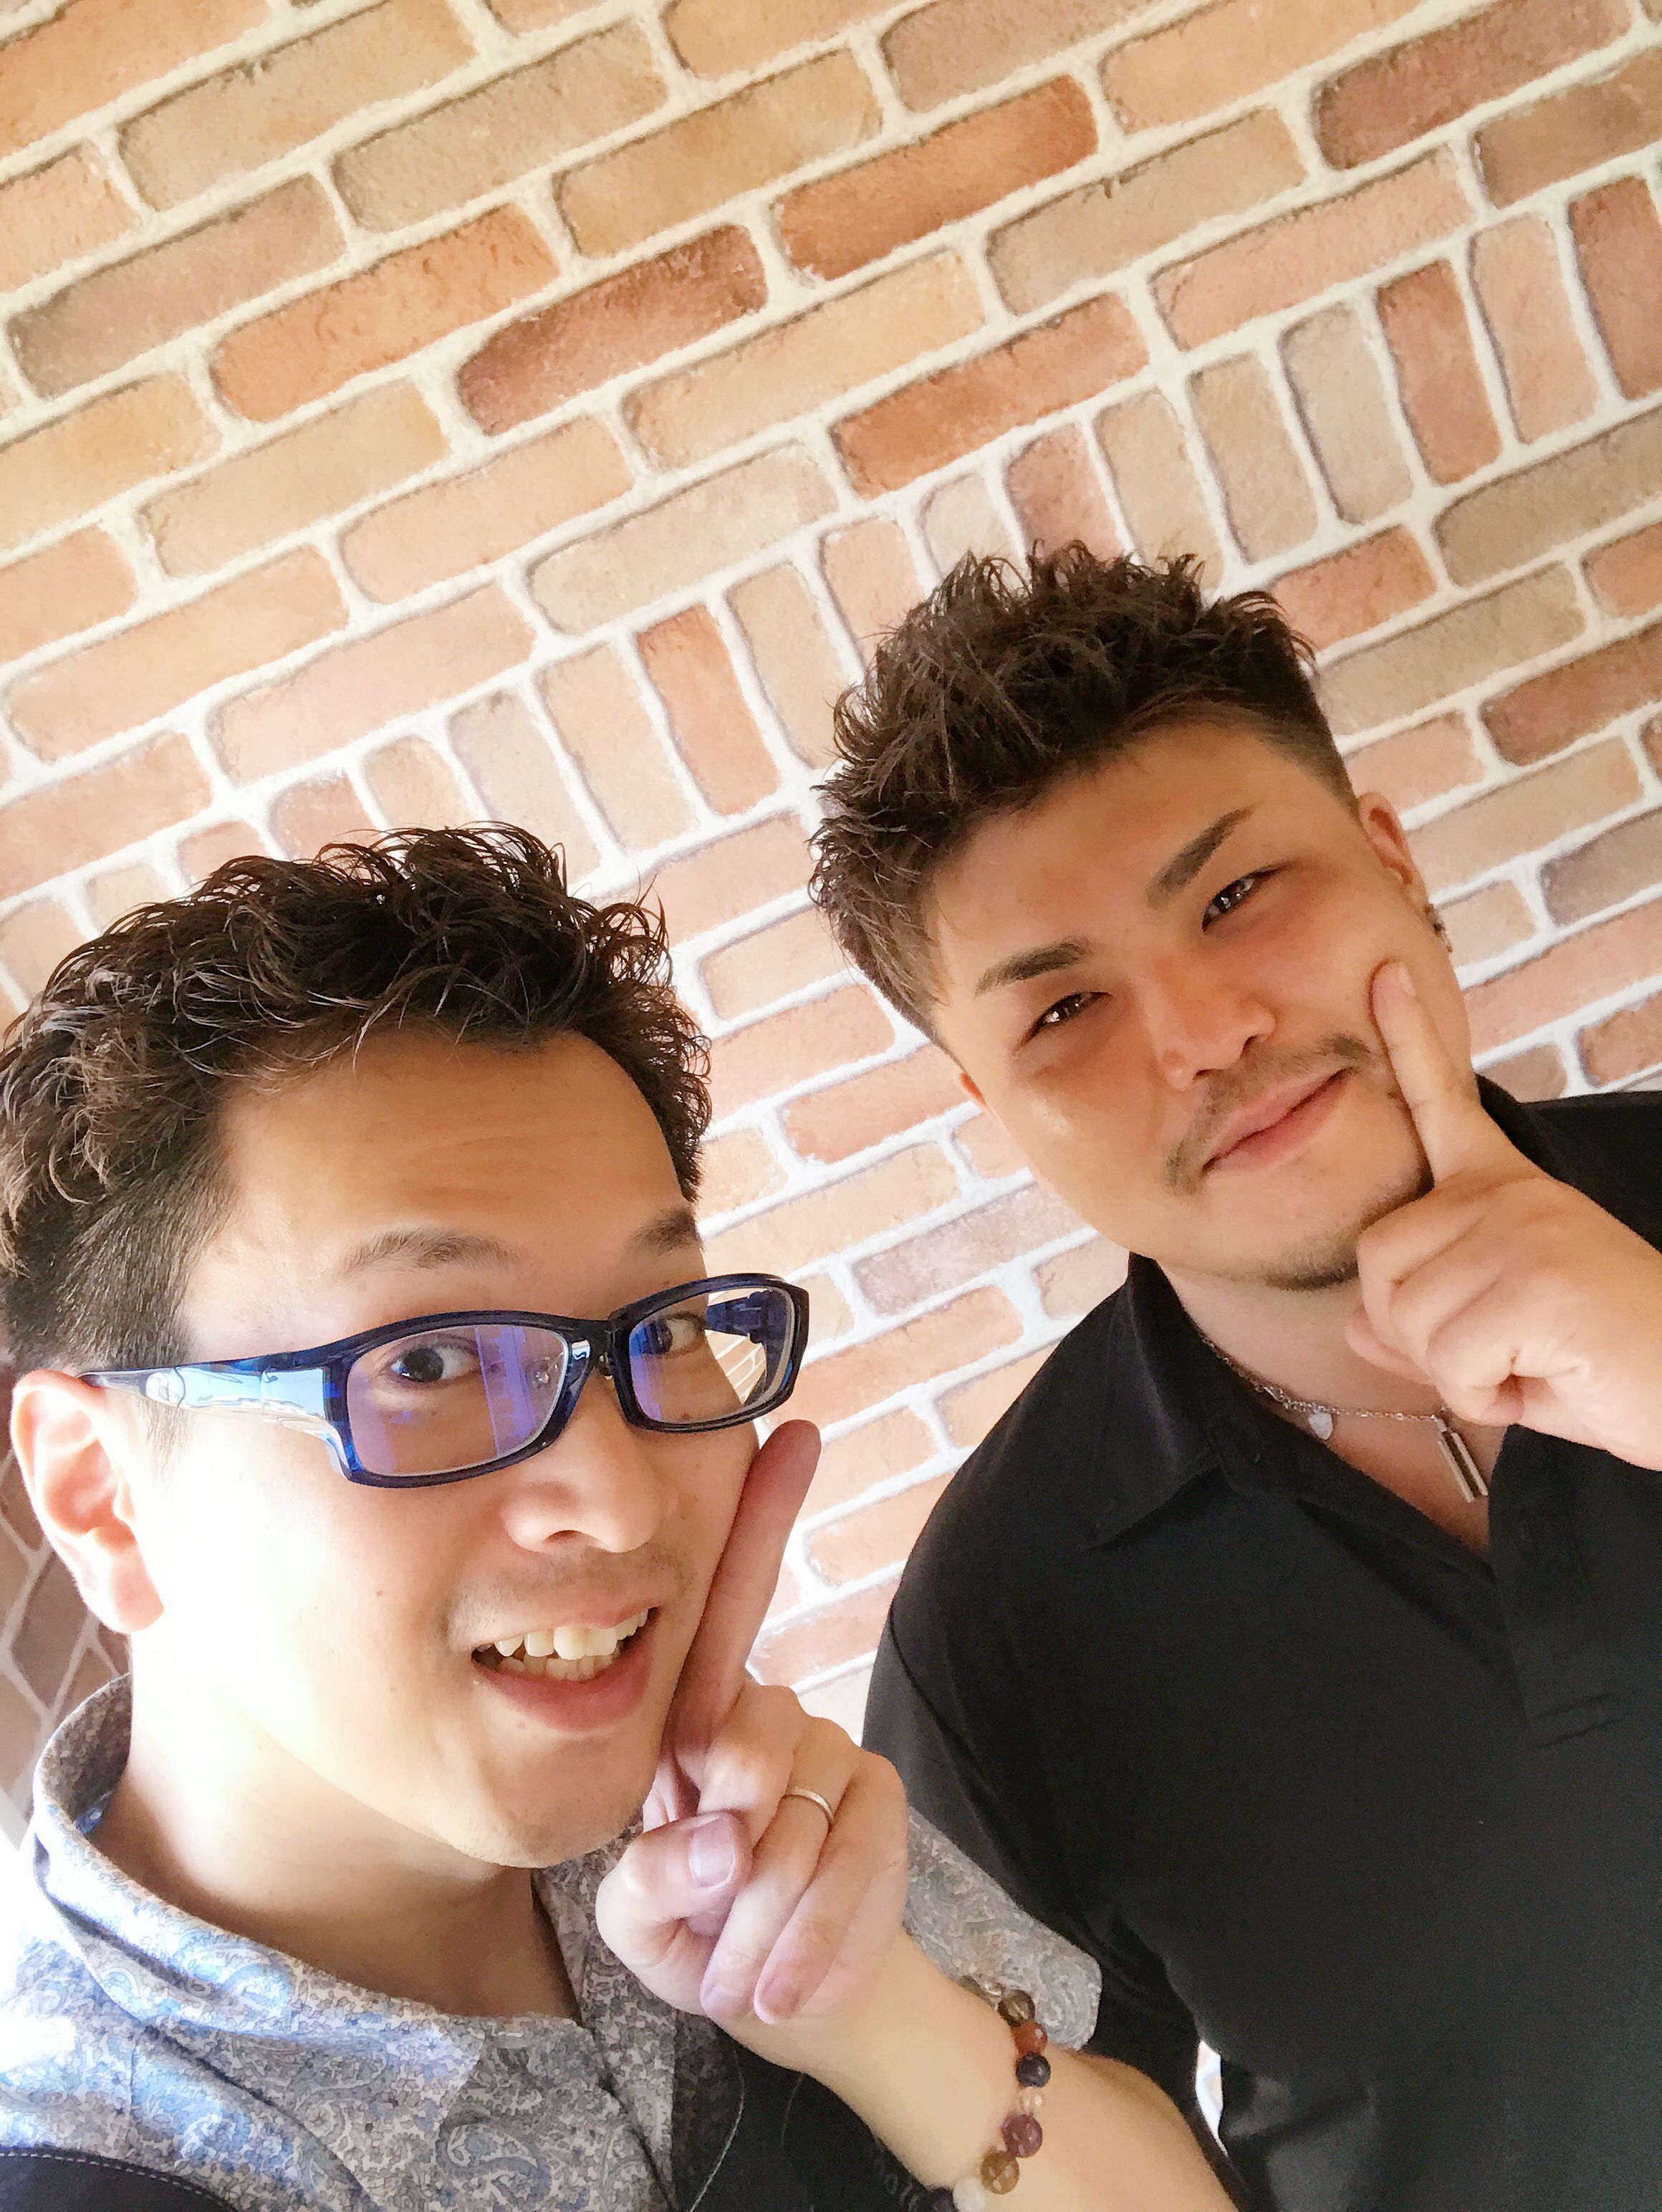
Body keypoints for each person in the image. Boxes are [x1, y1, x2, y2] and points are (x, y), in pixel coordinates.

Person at [0, 827, 1231, 2212]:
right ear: (103, 1497)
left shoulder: (718, 1809)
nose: (622, 1495)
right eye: (426, 1362)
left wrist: (868, 2014)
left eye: (664, 1325)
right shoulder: (96, 2169)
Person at [809, 546, 1662, 2212]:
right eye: (1064, 1006)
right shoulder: (998, 1623)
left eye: (1231, 895)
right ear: (990, 1108)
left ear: (1389, 859)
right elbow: (1001, 2157)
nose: (1201, 1030)